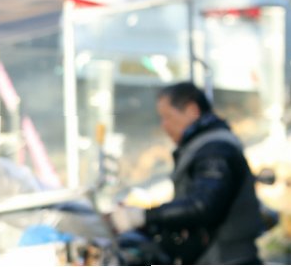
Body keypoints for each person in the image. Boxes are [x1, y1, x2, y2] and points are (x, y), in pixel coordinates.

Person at [109, 83, 265, 264]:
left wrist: (143, 216)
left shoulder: (215, 150)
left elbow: (202, 205)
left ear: (192, 110)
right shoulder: (203, 145)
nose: (164, 125)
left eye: (167, 117)